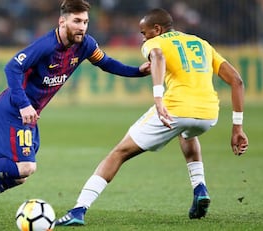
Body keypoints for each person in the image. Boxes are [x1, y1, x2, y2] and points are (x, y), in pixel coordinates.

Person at [0, 0, 151, 222]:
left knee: (17, 177)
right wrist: (24, 105)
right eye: (77, 21)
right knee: (25, 167)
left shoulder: (86, 45)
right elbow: (12, 67)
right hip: (14, 108)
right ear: (62, 21)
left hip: (29, 113)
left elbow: (107, 63)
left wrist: (138, 72)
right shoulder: (46, 45)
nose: (82, 27)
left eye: (85, 22)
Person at [56, 8, 249, 226]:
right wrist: (237, 128)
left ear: (156, 29)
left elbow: (157, 56)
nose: (143, 36)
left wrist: (158, 98)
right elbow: (237, 81)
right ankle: (200, 188)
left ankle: (79, 209)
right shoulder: (202, 43)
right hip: (208, 114)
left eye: (144, 32)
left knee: (118, 153)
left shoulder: (155, 43)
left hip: (174, 109)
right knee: (186, 133)